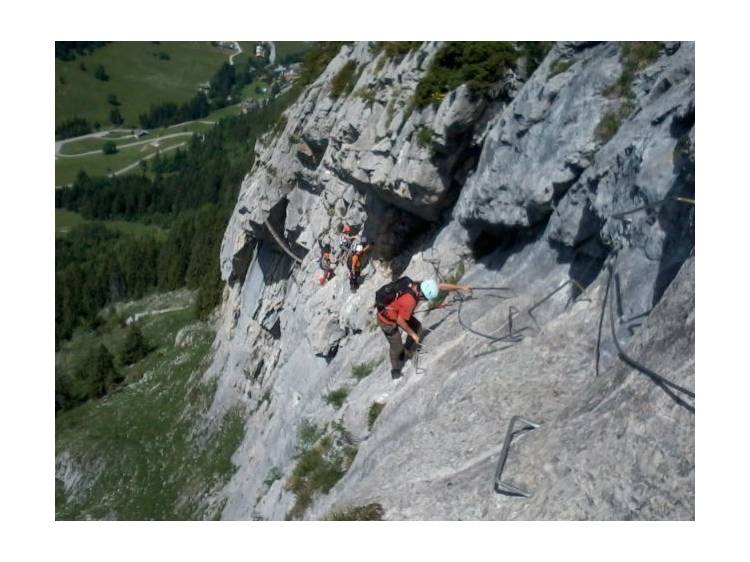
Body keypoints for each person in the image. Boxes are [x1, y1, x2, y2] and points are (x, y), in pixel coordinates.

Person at [376, 278, 471, 378]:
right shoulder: (410, 300)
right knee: (397, 346)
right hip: (387, 320)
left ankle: (407, 349)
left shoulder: (419, 285)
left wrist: (461, 288)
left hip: (399, 310)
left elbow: (440, 286)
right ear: (422, 295)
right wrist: (412, 334)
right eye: (425, 298)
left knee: (417, 327)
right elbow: (399, 319)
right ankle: (395, 369)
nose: (424, 300)